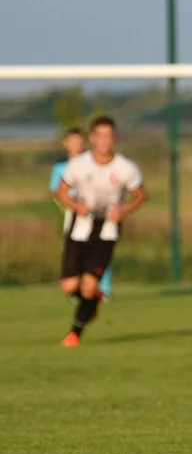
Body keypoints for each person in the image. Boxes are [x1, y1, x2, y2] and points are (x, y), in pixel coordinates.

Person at [53, 117, 147, 347]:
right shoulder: (78, 165)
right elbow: (61, 192)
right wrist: (76, 206)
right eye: (101, 135)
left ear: (115, 138)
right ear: (92, 138)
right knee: (69, 286)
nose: (105, 140)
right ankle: (91, 301)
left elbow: (140, 195)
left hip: (106, 231)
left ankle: (74, 334)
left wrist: (124, 209)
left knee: (89, 284)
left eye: (109, 135)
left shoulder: (125, 168)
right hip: (79, 228)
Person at [50, 128, 115, 300]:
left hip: (97, 213)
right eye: (72, 141)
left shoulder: (92, 163)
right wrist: (71, 202)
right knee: (76, 253)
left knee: (100, 249)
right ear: (65, 143)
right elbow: (55, 191)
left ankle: (103, 289)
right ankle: (78, 290)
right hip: (74, 215)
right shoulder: (61, 167)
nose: (75, 144)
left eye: (78, 141)